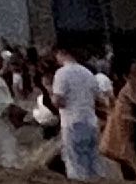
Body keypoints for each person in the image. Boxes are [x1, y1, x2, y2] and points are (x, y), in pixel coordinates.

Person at [51, 40, 110, 181]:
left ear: (61, 52)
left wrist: (53, 98)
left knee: (76, 168)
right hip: (91, 123)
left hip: (72, 123)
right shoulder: (87, 72)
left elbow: (58, 101)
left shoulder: (61, 73)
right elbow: (100, 99)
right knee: (94, 165)